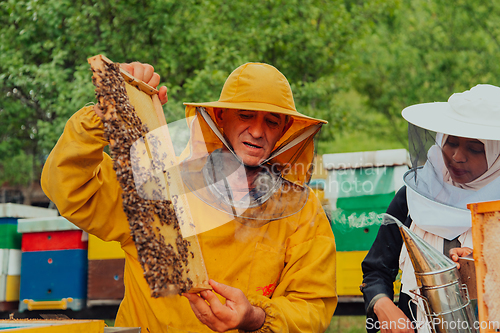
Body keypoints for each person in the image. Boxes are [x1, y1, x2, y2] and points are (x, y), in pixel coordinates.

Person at [41, 61, 337, 332]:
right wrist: (104, 113)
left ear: (285, 128)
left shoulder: (303, 210)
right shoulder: (160, 182)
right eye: (245, 115)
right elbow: (69, 189)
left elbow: (312, 306)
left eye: (272, 121)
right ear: (221, 117)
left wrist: (256, 317)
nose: (257, 131)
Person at [360, 84, 500, 333]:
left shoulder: (495, 214)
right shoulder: (413, 196)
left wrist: (487, 266)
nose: (457, 156)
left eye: (475, 148)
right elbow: (376, 270)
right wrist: (383, 306)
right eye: (451, 143)